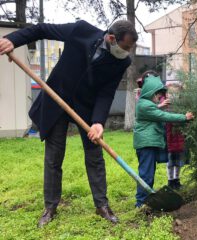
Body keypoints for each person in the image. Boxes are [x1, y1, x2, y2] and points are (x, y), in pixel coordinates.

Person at [0, 20, 137, 227]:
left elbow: (106, 92)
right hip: (58, 99)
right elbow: (41, 29)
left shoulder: (122, 62)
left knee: (95, 156)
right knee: (54, 157)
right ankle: (50, 207)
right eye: (125, 47)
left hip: (87, 109)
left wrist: (98, 122)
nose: (127, 52)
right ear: (111, 38)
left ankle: (102, 205)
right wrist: (12, 39)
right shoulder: (81, 31)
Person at [133, 73, 194, 208]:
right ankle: (140, 202)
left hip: (148, 143)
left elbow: (155, 109)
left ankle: (146, 198)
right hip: (146, 144)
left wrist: (159, 105)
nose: (159, 98)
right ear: (150, 93)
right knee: (146, 174)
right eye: (157, 96)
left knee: (149, 173)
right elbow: (163, 116)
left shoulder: (145, 103)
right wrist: (184, 117)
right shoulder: (145, 105)